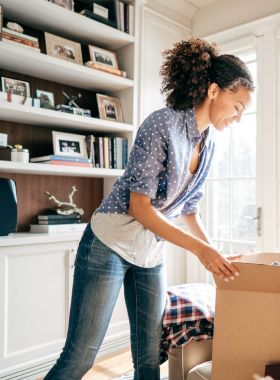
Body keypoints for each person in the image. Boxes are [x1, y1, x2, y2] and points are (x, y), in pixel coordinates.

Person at [45, 37, 254, 380]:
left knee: (148, 359)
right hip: (108, 244)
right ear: (215, 91)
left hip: (150, 254)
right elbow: (139, 207)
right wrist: (201, 251)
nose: (239, 117)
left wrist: (215, 255)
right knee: (80, 358)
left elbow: (188, 208)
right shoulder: (163, 124)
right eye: (239, 106)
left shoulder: (209, 144)